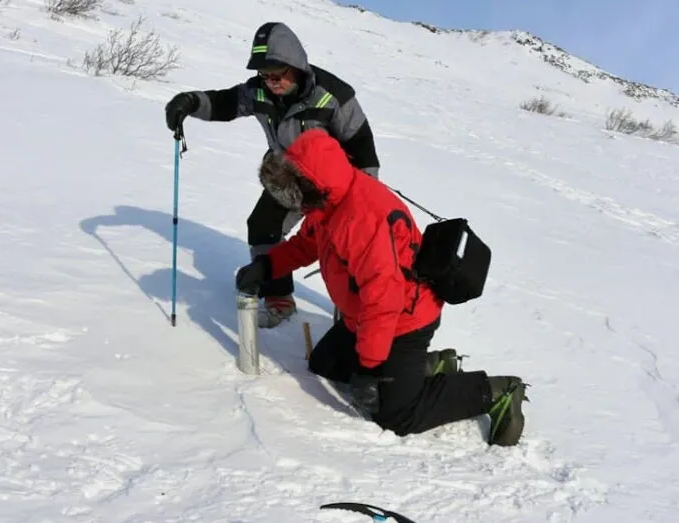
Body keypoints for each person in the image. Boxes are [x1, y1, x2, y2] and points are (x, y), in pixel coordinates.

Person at [234, 129, 528, 446]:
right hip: (361, 317)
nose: (291, 204)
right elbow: (307, 244)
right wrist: (267, 266)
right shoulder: (327, 201)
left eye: (291, 192)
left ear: (308, 182)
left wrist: (370, 368)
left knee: (394, 415)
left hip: (404, 320)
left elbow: (383, 299)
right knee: (325, 366)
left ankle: (496, 392)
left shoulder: (361, 217)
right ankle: (429, 367)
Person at [164, 22, 381, 329]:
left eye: (277, 74)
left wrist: (363, 201)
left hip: (335, 186)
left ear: (296, 67)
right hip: (288, 177)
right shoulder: (259, 91)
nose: (271, 81)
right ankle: (279, 299)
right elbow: (225, 103)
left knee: (342, 244)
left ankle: (355, 313)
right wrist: (190, 102)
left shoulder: (334, 96)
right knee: (263, 225)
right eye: (265, 75)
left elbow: (363, 147)